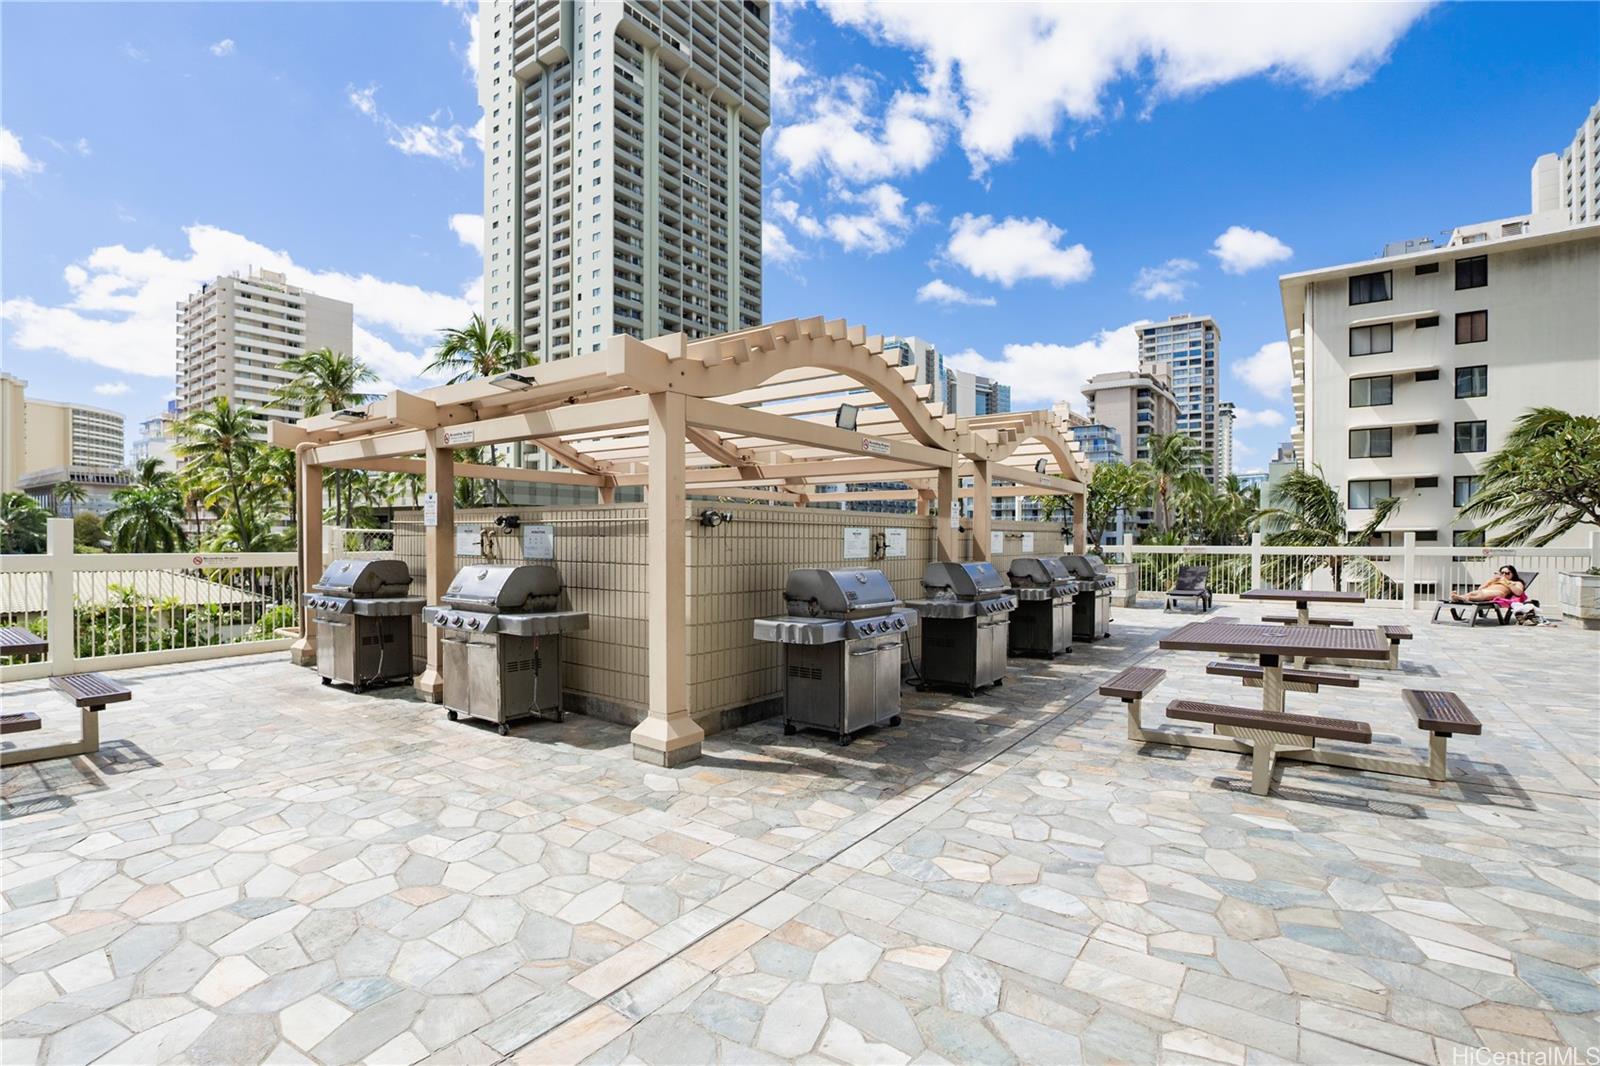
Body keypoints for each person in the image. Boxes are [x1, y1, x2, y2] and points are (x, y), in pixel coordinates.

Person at [1450, 565, 1526, 603]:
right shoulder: (1495, 580)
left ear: (1513, 574)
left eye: (1507, 573)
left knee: (1482, 594)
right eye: (1502, 573)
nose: (1504, 575)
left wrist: (1506, 581)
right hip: (1485, 591)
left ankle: (1463, 598)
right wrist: (1491, 580)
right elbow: (1480, 588)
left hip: (1499, 593)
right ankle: (1460, 597)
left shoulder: (1516, 582)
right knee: (1474, 592)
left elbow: (1519, 592)